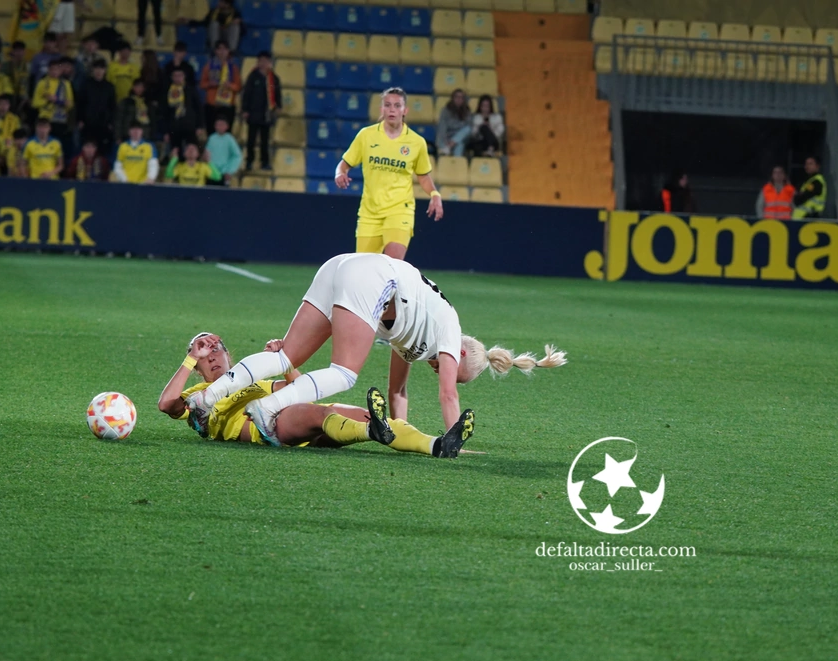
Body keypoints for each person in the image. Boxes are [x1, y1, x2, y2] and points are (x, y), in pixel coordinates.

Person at [184, 252, 566, 447]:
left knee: (286, 356)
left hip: (340, 266)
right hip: (373, 279)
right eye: (445, 365)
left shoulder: (416, 343)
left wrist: (406, 433)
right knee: (345, 373)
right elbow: (448, 394)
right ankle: (266, 411)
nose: (440, 368)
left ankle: (208, 399)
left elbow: (398, 392)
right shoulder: (451, 329)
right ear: (461, 354)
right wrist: (454, 440)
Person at [159, 333, 472, 456]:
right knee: (325, 415)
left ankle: (438, 445)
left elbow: (297, 390)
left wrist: (286, 363)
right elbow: (166, 405)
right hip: (263, 430)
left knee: (362, 416)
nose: (211, 356)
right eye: (203, 355)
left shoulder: (255, 383)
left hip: (289, 421)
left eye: (215, 349)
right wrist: (188, 359)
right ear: (198, 369)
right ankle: (371, 430)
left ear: (230, 356)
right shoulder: (199, 395)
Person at [335, 87, 442, 259]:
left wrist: (434, 194)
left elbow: (423, 175)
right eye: (388, 105)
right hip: (369, 212)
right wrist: (339, 173)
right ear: (381, 109)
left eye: (397, 106)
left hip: (400, 210)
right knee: (364, 270)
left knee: (391, 265)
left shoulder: (416, 142)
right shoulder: (366, 136)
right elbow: (344, 164)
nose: (392, 109)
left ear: (405, 110)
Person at [241, 50, 281, 172]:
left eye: (266, 61)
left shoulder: (273, 78)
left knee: (265, 140)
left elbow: (278, 94)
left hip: (267, 114)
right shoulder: (252, 76)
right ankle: (249, 162)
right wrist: (245, 109)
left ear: (270, 63)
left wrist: (278, 106)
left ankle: (265, 162)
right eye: (261, 61)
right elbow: (246, 94)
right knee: (251, 140)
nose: (263, 64)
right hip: (253, 113)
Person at [32, 58, 74, 154]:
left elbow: (71, 103)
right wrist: (47, 100)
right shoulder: (42, 83)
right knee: (44, 144)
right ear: (48, 70)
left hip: (61, 119)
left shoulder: (66, 84)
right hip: (46, 119)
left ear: (61, 71)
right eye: (52, 69)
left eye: (57, 69)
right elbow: (35, 103)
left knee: (58, 146)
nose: (55, 72)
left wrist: (65, 103)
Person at [76, 59, 117, 156]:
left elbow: (112, 106)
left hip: (104, 123)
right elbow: (80, 103)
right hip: (88, 123)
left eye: (101, 68)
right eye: (96, 68)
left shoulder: (109, 87)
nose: (98, 71)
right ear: (92, 70)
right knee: (87, 148)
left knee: (103, 150)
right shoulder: (86, 85)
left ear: (105, 70)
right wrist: (80, 119)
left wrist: (111, 122)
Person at [161, 68, 204, 155]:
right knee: (176, 151)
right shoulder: (167, 91)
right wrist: (165, 131)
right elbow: (164, 112)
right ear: (172, 77)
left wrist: (200, 126)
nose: (177, 78)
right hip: (174, 126)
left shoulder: (191, 89)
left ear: (184, 76)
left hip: (190, 125)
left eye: (180, 75)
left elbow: (199, 108)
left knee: (192, 150)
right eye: (175, 76)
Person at [199, 41, 240, 130]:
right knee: (211, 132)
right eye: (219, 49)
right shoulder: (208, 67)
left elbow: (238, 86)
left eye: (225, 49)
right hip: (212, 104)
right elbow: (202, 84)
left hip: (227, 105)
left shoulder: (233, 68)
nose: (222, 51)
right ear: (216, 51)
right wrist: (210, 84)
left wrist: (230, 85)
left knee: (226, 134)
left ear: (228, 51)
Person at [113, 120, 159, 184]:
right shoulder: (122, 147)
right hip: (126, 185)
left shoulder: (149, 147)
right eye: (133, 129)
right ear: (129, 131)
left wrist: (150, 178)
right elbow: (118, 166)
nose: (136, 131)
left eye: (138, 129)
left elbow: (153, 165)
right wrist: (125, 180)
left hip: (143, 185)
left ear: (142, 131)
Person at [205, 116, 242, 186]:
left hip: (224, 173)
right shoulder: (211, 138)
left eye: (222, 125)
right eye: (218, 125)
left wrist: (230, 170)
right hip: (212, 172)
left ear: (227, 126)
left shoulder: (230, 139)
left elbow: (237, 156)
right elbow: (207, 154)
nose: (220, 127)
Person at [436, 89, 471, 157]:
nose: (459, 99)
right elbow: (442, 127)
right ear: (453, 98)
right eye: (457, 97)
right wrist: (444, 142)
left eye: (461, 97)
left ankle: (450, 146)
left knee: (468, 129)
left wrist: (452, 142)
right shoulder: (446, 110)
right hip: (448, 137)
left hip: (461, 137)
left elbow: (467, 130)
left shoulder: (467, 111)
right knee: (459, 144)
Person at [1, 41, 30, 112]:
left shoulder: (28, 66)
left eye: (21, 50)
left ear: (24, 52)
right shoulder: (5, 66)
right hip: (9, 95)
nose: (19, 53)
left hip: (24, 97)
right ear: (13, 52)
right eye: (17, 51)